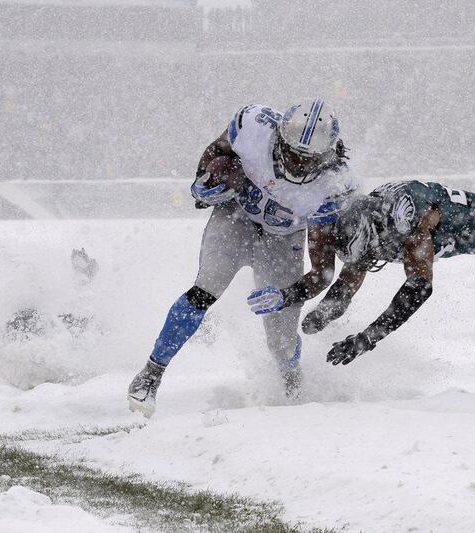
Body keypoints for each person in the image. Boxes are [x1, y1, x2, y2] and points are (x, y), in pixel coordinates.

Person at [127, 100, 355, 417]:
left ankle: (292, 382)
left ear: (326, 154)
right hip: (236, 217)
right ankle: (151, 373)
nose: (298, 163)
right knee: (205, 289)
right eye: (292, 152)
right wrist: (201, 184)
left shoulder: (332, 186)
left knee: (282, 339)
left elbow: (323, 271)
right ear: (279, 135)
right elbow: (217, 150)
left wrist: (287, 295)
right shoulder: (255, 126)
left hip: (282, 238)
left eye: (308, 158)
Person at [250, 177, 475, 364]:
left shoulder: (408, 217)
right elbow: (347, 284)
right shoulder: (370, 223)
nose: (365, 260)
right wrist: (315, 319)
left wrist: (366, 339)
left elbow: (419, 288)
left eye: (366, 252)